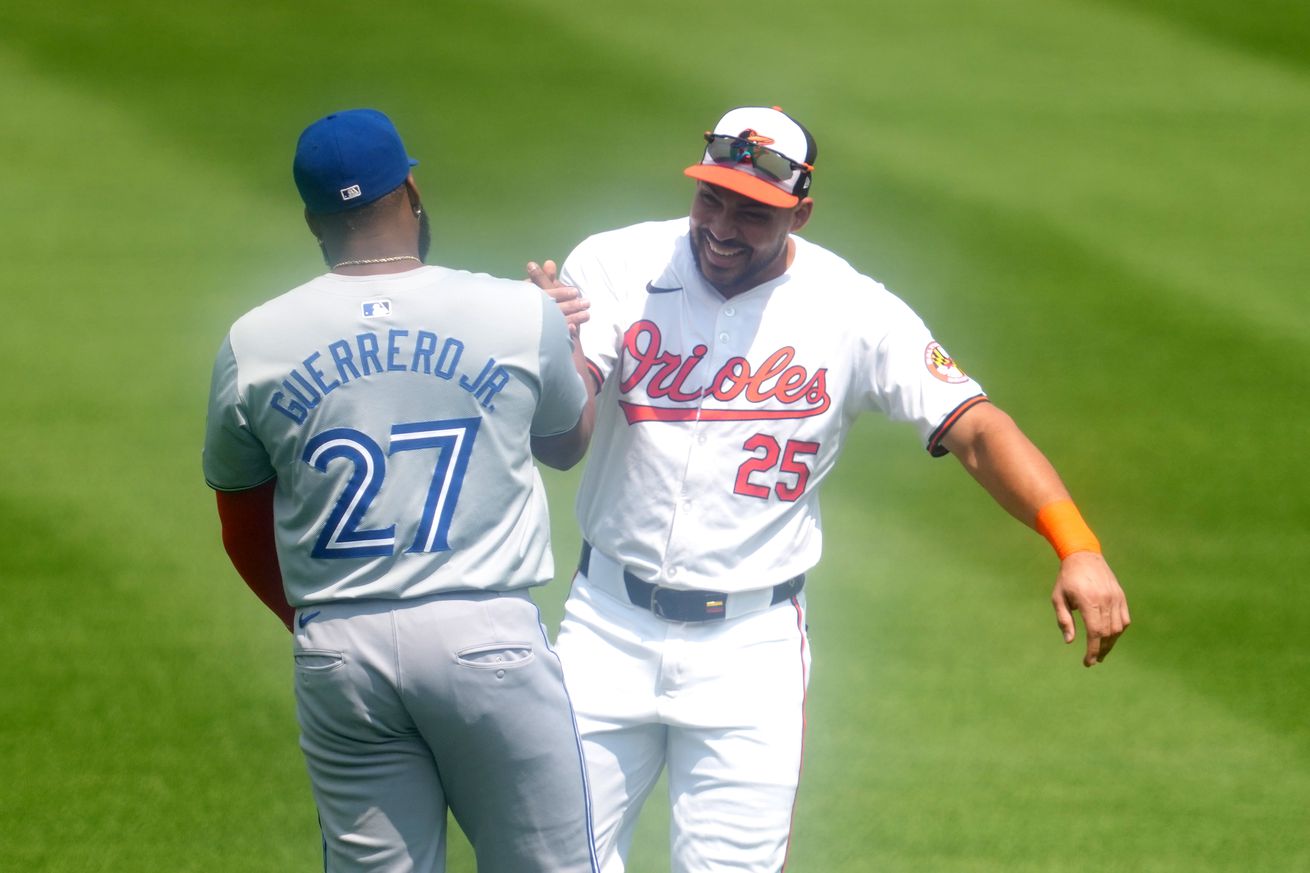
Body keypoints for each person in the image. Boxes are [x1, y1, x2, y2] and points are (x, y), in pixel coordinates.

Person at [527, 105, 1131, 873]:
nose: (720, 226)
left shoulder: (850, 308)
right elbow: (561, 445)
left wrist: (1077, 546)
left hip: (750, 647)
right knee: (545, 859)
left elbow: (977, 429)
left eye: (752, 214)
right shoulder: (615, 266)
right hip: (606, 626)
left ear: (801, 213)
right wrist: (553, 358)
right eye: (711, 198)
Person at [202, 108, 599, 873]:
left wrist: (319, 621)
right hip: (487, 639)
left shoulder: (253, 339)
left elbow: (240, 520)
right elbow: (565, 442)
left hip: (339, 648)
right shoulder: (518, 313)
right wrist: (569, 340)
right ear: (412, 190)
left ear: (315, 219)